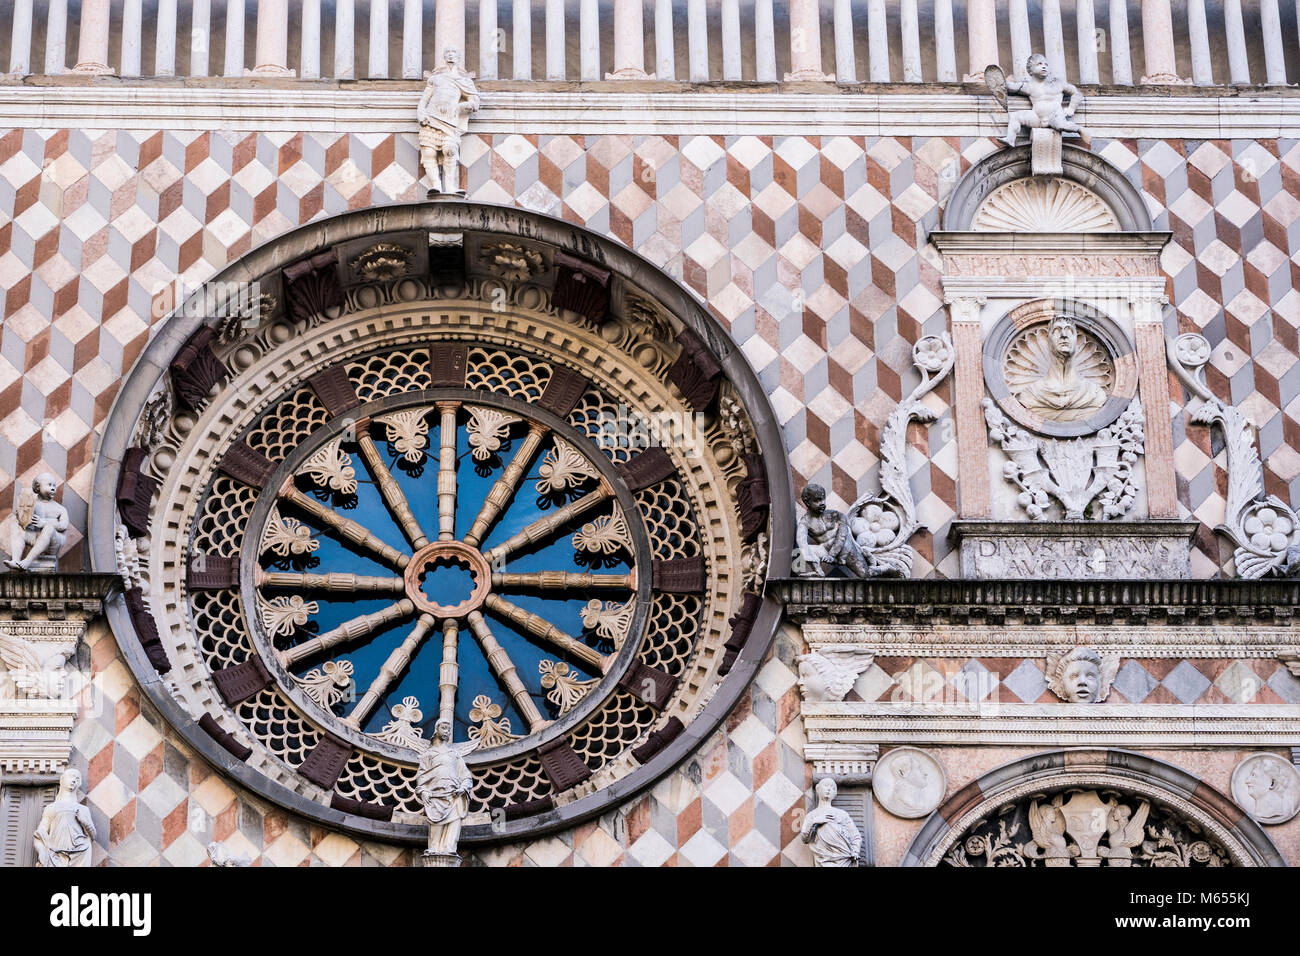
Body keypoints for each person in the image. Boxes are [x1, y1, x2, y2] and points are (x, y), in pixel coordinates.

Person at [1014, 315, 1108, 422]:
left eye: (1069, 331)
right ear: (1048, 340)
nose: (1064, 335)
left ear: (1076, 340)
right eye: (1057, 331)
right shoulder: (1031, 395)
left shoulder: (1094, 394)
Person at [418, 48, 481, 196]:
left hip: (450, 121)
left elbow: (474, 102)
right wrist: (420, 114)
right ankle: (436, 186)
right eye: (448, 52)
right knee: (428, 152)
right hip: (431, 117)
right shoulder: (435, 79)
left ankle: (450, 186)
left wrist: (460, 107)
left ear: (459, 57)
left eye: (454, 52)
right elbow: (424, 99)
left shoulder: (464, 81)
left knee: (450, 151)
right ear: (444, 56)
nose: (451, 55)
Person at [416, 718, 475, 855]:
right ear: (436, 730)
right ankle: (434, 849)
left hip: (454, 796)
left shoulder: (455, 755)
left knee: (453, 829)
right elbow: (422, 776)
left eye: (449, 729)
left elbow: (465, 775)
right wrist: (423, 791)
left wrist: (463, 788)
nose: (447, 731)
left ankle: (449, 849)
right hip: (435, 797)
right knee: (435, 831)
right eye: (444, 728)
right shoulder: (428, 755)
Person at [1002, 53, 1082, 148]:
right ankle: (1010, 139)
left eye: (1046, 64)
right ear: (1030, 70)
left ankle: (1080, 130)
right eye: (1039, 64)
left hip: (1054, 115)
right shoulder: (1028, 86)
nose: (1044, 66)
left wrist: (1071, 109)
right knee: (1014, 116)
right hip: (1037, 117)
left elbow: (1077, 93)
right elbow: (1010, 87)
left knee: (1061, 125)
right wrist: (1001, 80)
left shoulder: (1057, 83)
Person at [6, 472, 68, 572]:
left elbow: (63, 525)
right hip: (36, 538)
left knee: (48, 528)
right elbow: (26, 523)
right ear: (38, 487)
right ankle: (16, 560)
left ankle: (27, 561)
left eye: (54, 485)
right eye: (49, 485)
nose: (53, 488)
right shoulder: (32, 505)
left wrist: (44, 523)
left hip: (54, 543)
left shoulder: (60, 509)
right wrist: (22, 518)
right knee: (15, 526)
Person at [33, 768, 96, 867]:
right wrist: (42, 852)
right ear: (62, 779)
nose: (74, 780)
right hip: (55, 854)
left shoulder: (83, 809)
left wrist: (84, 821)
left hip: (80, 853)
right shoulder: (51, 808)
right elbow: (40, 834)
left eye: (77, 778)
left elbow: (93, 835)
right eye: (71, 776)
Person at [799, 778, 861, 867]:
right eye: (826, 785)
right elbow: (805, 838)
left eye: (832, 788)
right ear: (817, 789)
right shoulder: (812, 815)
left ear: (835, 794)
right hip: (823, 858)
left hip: (844, 858)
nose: (829, 789)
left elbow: (856, 835)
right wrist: (815, 822)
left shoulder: (842, 814)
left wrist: (855, 850)